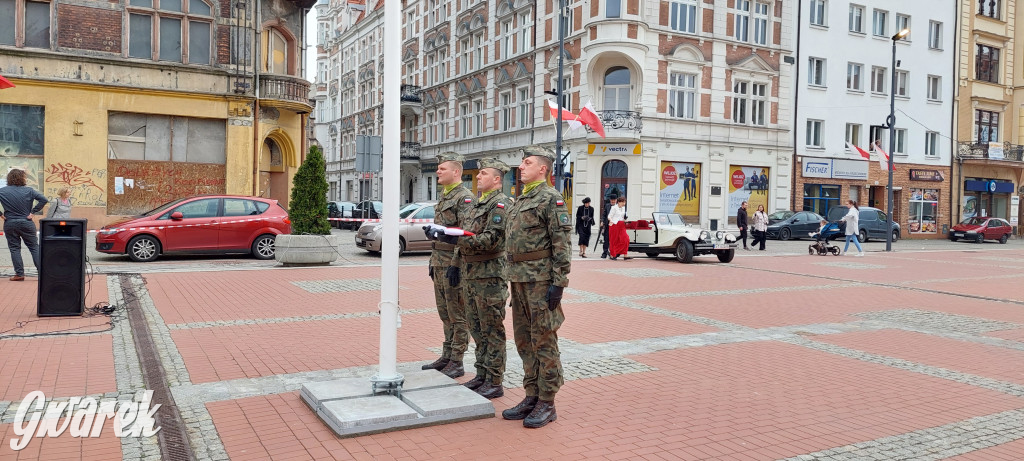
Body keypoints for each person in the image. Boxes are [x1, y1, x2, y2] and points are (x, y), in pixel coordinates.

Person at [501, 146, 571, 428]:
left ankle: (547, 401)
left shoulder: (550, 200)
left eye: (527, 162)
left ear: (542, 169)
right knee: (524, 341)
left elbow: (562, 245)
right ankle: (532, 393)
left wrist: (559, 283)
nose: (521, 166)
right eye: (521, 162)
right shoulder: (521, 199)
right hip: (518, 279)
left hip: (540, 281)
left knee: (544, 341)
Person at [445, 158, 511, 399]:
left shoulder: (500, 205)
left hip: (490, 276)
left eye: (483, 173)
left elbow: (492, 239)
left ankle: (495, 380)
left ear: (496, 179)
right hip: (471, 275)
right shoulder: (477, 204)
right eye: (478, 173)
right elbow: (466, 233)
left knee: (492, 329)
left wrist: (456, 240)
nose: (478, 176)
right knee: (476, 327)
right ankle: (482, 374)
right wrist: (455, 259)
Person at [422, 152, 476, 378]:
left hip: (453, 264)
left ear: (456, 172)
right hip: (439, 262)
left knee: (457, 313)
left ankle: (457, 359)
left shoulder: (464, 198)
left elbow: (464, 235)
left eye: (442, 168)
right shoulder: (445, 197)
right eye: (437, 168)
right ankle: (447, 354)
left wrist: (455, 264)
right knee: (445, 313)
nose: (437, 171)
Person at [0, 169, 48, 281]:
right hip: (26, 222)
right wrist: (33, 212)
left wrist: (1, 214)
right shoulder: (29, 190)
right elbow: (43, 199)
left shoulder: (2, 191)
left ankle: (19, 274)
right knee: (34, 247)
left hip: (10, 222)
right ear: (22, 178)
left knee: (14, 248)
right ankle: (42, 273)